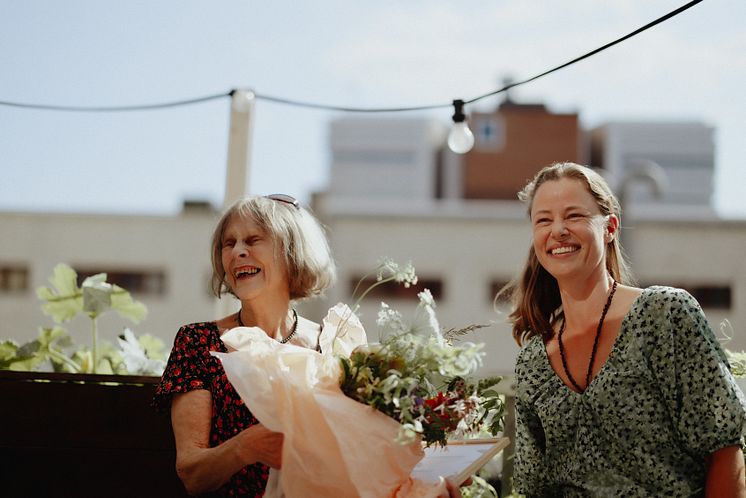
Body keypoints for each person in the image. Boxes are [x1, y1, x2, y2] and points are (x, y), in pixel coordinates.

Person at [500, 162, 746, 497]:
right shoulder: (532, 361)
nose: (558, 230)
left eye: (574, 216)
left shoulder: (664, 314)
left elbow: (724, 448)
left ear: (610, 227)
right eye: (544, 219)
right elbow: (533, 489)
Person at [152, 194, 336, 497]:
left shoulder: (331, 343)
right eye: (229, 243)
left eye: (252, 240)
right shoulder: (199, 342)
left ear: (292, 252)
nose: (237, 252)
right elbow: (192, 473)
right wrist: (248, 445)